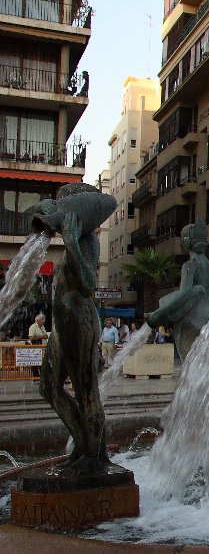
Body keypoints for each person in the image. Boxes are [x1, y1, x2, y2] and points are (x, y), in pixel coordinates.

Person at [26, 181, 117, 475]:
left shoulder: (86, 241)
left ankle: (95, 455)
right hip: (62, 322)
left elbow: (89, 285)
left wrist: (72, 242)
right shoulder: (76, 238)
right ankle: (83, 443)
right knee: (48, 387)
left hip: (79, 318)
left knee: (86, 390)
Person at [146, 219, 209, 362]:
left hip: (189, 321)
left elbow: (184, 295)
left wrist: (157, 314)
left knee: (190, 366)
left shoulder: (190, 265)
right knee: (203, 365)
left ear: (186, 242)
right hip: (207, 319)